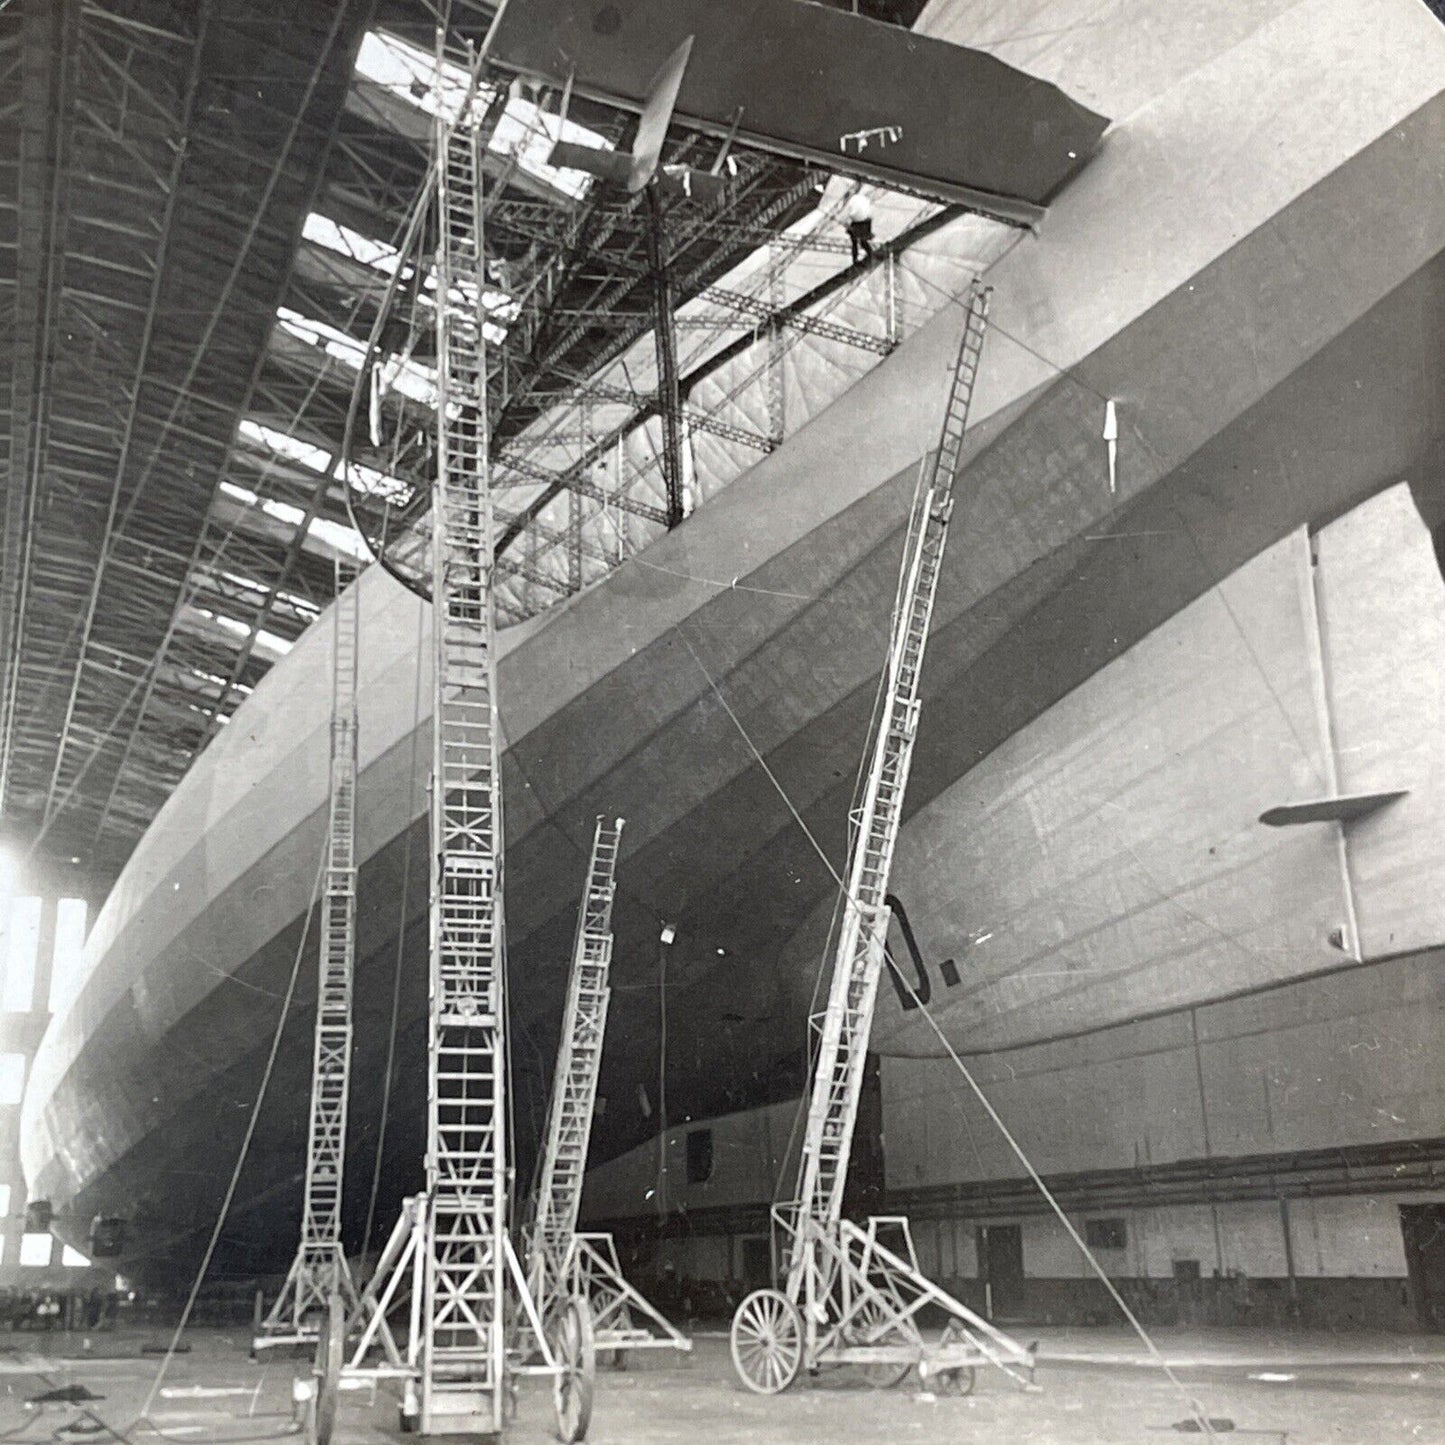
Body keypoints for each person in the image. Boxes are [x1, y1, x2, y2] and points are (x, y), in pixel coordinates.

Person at [845, 189, 874, 266]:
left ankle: (860, 258)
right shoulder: (860, 203)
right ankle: (869, 255)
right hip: (860, 223)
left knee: (857, 242)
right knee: (861, 242)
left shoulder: (856, 203)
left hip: (858, 223)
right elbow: (868, 218)